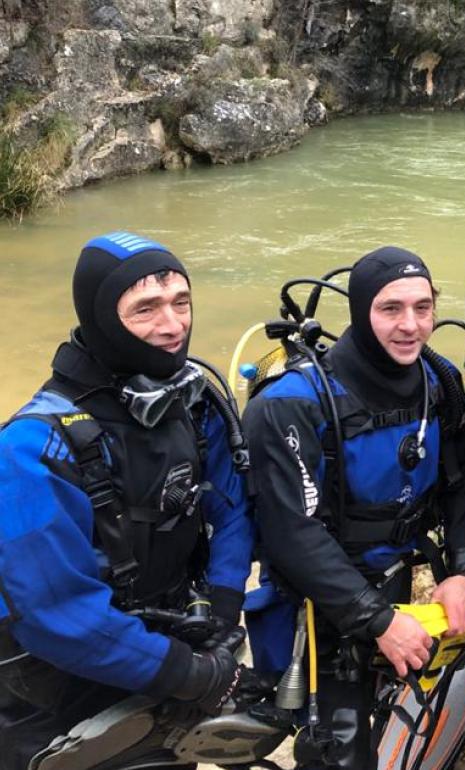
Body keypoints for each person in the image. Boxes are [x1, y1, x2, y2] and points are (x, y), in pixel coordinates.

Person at [0, 232, 254, 770]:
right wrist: (190, 674)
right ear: (101, 318)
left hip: (164, 646)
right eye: (146, 308)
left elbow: (230, 507)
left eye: (181, 301)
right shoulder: (30, 449)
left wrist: (223, 608)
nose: (172, 325)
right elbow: (52, 611)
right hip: (53, 685)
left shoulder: (194, 401)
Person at [243, 247, 465, 770]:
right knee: (338, 746)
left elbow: (462, 485)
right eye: (390, 309)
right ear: (359, 311)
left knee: (375, 709)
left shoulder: (438, 383)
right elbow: (291, 531)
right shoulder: (294, 403)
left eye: (423, 308)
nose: (411, 325)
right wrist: (375, 620)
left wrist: (462, 570)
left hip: (393, 578)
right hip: (317, 602)